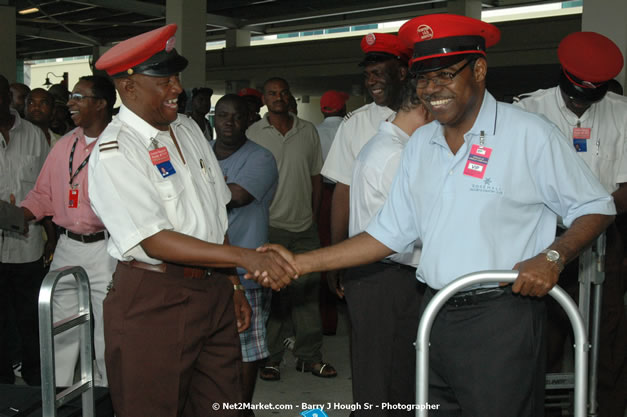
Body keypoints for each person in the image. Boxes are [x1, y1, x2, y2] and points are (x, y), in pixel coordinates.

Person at [258, 14, 616, 417]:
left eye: (445, 74)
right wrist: (301, 262)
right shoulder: (421, 143)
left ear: (479, 70)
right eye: (422, 79)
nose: (432, 90)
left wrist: (553, 256)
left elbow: (595, 206)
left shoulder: (529, 134)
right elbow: (387, 234)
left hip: (501, 317)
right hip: (432, 312)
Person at [89, 24, 295, 417]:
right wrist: (247, 259)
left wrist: (232, 282)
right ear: (128, 88)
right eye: (163, 80)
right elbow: (155, 240)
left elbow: (215, 213)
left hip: (213, 290)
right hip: (154, 297)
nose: (176, 89)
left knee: (224, 404)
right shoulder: (116, 151)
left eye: (176, 77)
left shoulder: (188, 129)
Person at [515, 31, 627, 417]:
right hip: (542, 235)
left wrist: (590, 216)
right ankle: (539, 408)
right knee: (542, 332)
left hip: (603, 236)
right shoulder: (529, 111)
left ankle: (605, 408)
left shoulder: (622, 112)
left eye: (589, 95)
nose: (580, 101)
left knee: (607, 333)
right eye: (575, 93)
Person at [20, 75, 117, 387]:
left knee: (107, 328)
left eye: (79, 96)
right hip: (67, 246)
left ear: (101, 104)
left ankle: (106, 396)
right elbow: (42, 194)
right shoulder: (65, 144)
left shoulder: (122, 143)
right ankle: (58, 394)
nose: (70, 102)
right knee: (60, 327)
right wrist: (16, 215)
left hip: (108, 247)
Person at [343, 78, 430, 416]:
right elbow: (417, 226)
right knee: (385, 382)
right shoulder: (394, 155)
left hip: (382, 275)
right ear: (424, 108)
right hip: (387, 277)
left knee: (387, 375)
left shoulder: (389, 146)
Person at [247, 77, 334, 380]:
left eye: (283, 93)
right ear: (264, 99)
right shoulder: (253, 133)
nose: (279, 97)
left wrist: (312, 215)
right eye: (272, 93)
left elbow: (316, 178)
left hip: (304, 226)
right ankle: (270, 358)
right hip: (269, 227)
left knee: (308, 294)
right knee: (274, 295)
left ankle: (308, 357)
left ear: (290, 97)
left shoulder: (307, 130)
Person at [321, 33, 410, 298]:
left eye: (379, 73)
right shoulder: (355, 124)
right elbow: (342, 192)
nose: (371, 81)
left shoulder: (430, 119)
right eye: (368, 74)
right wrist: (336, 257)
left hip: (420, 259)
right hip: (369, 262)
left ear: (403, 72)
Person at [212, 94, 278, 417]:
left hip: (247, 269)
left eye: (236, 116)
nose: (228, 122)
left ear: (248, 119)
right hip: (207, 268)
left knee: (247, 348)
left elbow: (236, 196)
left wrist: (199, 189)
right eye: (222, 115)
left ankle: (242, 410)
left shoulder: (261, 158)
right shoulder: (200, 155)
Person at [0, 74, 50, 386]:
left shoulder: (33, 135)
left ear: (7, 96)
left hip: (27, 245)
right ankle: (3, 385)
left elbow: (47, 191)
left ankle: (35, 382)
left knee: (29, 319)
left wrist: (51, 239)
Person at [315, 89, 350, 335]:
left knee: (325, 251)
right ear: (343, 109)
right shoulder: (349, 129)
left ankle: (327, 321)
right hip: (348, 193)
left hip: (323, 193)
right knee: (350, 250)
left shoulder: (314, 132)